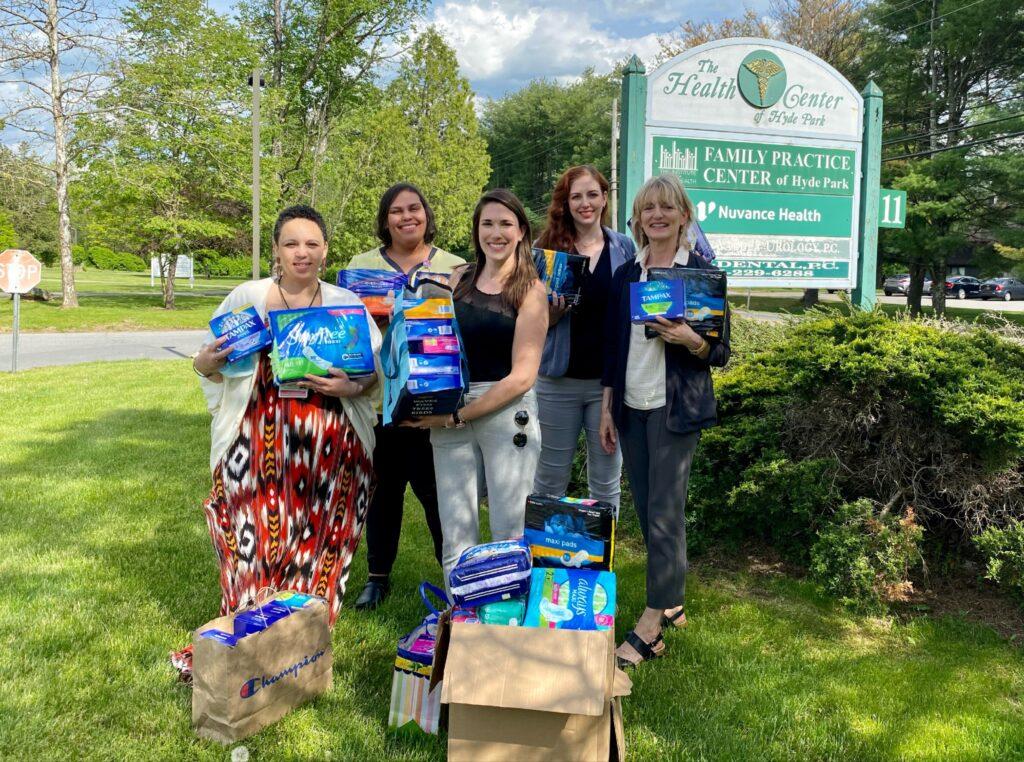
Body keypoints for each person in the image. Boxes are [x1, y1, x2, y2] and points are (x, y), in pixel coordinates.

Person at [172, 205, 381, 680]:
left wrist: (350, 387)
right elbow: (209, 365)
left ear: (325, 250)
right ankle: (242, 642)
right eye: (291, 243)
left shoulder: (345, 302)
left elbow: (373, 375)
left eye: (311, 243)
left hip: (329, 445)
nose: (301, 253)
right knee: (250, 543)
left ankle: (295, 643)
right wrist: (203, 363)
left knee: (316, 544)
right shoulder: (249, 297)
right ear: (276, 251)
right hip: (255, 443)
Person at [599, 174, 730, 667]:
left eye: (666, 207)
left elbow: (720, 352)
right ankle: (672, 599)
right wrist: (609, 406)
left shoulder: (701, 274)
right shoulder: (626, 275)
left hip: (675, 408)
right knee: (648, 507)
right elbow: (615, 347)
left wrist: (689, 340)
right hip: (631, 406)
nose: (656, 215)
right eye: (647, 208)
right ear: (637, 219)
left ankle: (652, 622)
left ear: (683, 215)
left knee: (664, 512)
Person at [404, 189, 548, 584]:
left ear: (521, 231)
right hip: (450, 406)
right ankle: (462, 625)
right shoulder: (456, 279)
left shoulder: (532, 292)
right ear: (477, 230)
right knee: (456, 533)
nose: (496, 233)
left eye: (505, 224)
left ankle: (508, 626)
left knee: (509, 530)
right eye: (487, 223)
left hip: (505, 410)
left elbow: (522, 377)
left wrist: (457, 415)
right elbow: (431, 344)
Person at [345, 183, 466, 610]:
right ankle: (378, 576)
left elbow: (463, 328)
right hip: (378, 398)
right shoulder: (360, 268)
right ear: (385, 220)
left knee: (439, 493)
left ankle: (454, 575)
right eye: (396, 211)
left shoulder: (456, 266)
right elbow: (348, 331)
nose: (406, 217)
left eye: (415, 208)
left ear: (427, 214)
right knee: (382, 492)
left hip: (433, 400)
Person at [532, 165, 635, 509]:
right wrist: (552, 314)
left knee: (605, 482)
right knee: (549, 479)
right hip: (557, 382)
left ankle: (601, 561)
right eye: (576, 196)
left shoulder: (624, 247)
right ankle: (545, 558)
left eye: (592, 194)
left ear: (605, 198)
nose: (585, 203)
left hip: (607, 384)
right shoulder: (545, 248)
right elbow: (526, 320)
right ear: (566, 202)